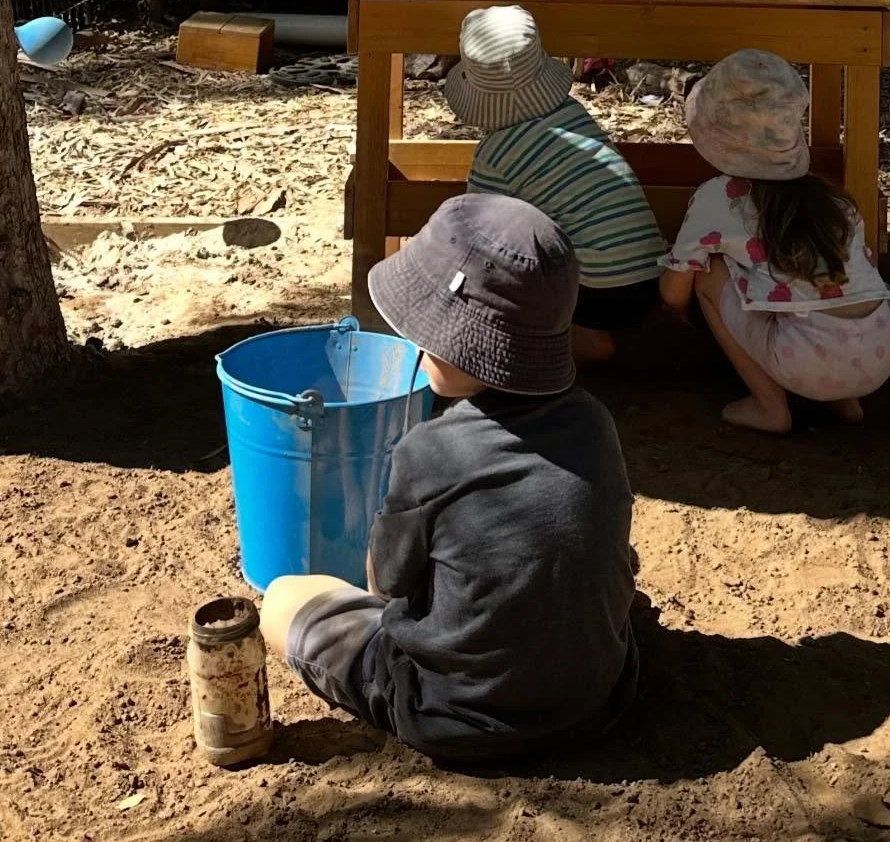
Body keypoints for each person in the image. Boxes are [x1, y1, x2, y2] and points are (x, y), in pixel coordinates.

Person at [258, 193, 639, 764]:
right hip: (597, 703)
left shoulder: (430, 450)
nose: (417, 339)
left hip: (453, 716)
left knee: (284, 598)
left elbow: (387, 586)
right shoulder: (594, 421)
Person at [660, 49, 890, 434]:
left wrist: (674, 311)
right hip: (883, 350)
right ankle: (847, 401)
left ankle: (770, 406)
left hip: (802, 360)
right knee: (829, 287)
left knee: (707, 274)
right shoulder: (835, 201)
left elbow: (675, 291)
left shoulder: (719, 197)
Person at [442, 4, 666, 361]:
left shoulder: (494, 154)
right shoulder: (574, 113)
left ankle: (574, 339)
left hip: (594, 293)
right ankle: (584, 332)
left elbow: (475, 235)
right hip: (651, 279)